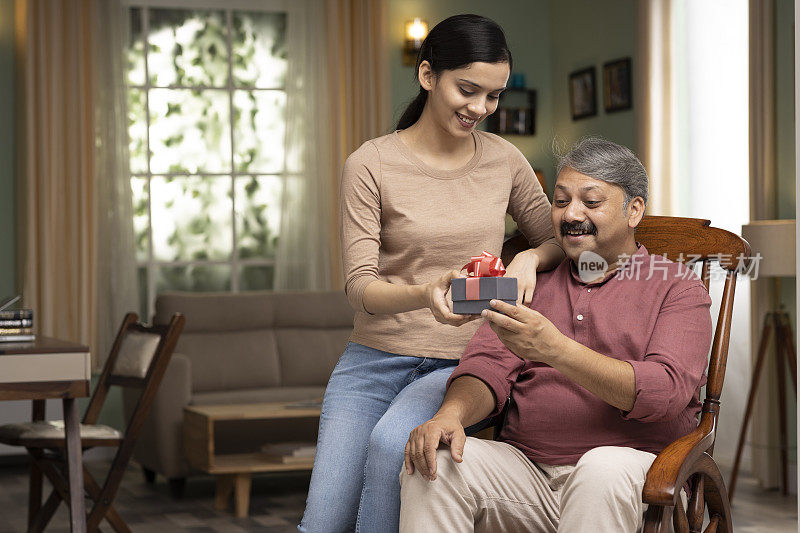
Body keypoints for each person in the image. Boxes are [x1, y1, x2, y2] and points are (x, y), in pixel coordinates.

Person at [299, 14, 564, 533]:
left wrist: (530, 257)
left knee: (390, 446)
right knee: (323, 521)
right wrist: (426, 292)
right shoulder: (370, 164)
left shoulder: (505, 161)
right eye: (468, 90)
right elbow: (360, 289)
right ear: (427, 76)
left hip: (464, 363)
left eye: (493, 96)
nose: (480, 109)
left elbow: (557, 239)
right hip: (372, 362)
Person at [399, 138, 713, 532]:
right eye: (561, 201)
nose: (571, 214)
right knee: (435, 462)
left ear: (634, 210)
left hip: (634, 475)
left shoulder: (677, 287)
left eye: (591, 202)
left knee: (601, 468)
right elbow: (486, 368)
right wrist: (450, 416)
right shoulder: (532, 282)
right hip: (527, 472)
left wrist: (556, 350)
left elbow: (664, 393)